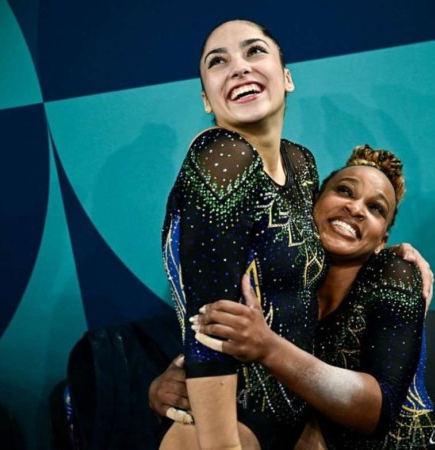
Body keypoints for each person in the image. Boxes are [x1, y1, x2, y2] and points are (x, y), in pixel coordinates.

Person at [154, 145, 435, 449]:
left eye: (376, 208)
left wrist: (267, 347)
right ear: (312, 205)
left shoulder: (394, 274)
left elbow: (376, 413)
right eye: (345, 191)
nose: (356, 208)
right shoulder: (272, 285)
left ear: (381, 239)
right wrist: (165, 390)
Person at [160, 18, 328, 449]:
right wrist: (223, 444)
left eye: (254, 51)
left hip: (297, 415)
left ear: (286, 77)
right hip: (230, 427)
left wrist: (396, 256)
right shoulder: (222, 156)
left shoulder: (302, 164)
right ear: (205, 98)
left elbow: (324, 267)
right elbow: (209, 324)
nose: (238, 67)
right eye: (218, 62)